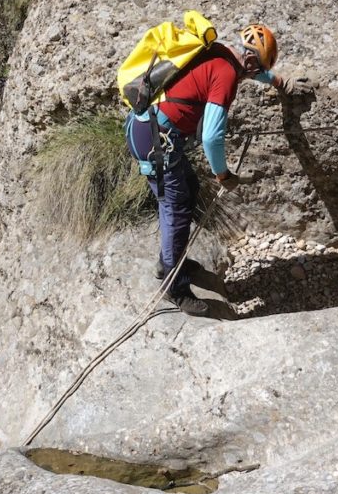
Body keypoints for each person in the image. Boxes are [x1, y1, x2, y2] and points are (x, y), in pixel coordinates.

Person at [125, 23, 305, 316]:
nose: (251, 75)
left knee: (190, 189)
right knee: (176, 207)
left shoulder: (221, 52)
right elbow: (211, 136)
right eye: (253, 69)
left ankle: (172, 261)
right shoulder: (227, 75)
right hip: (156, 142)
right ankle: (174, 285)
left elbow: (255, 72)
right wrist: (223, 174)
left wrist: (279, 82)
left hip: (149, 128)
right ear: (248, 60)